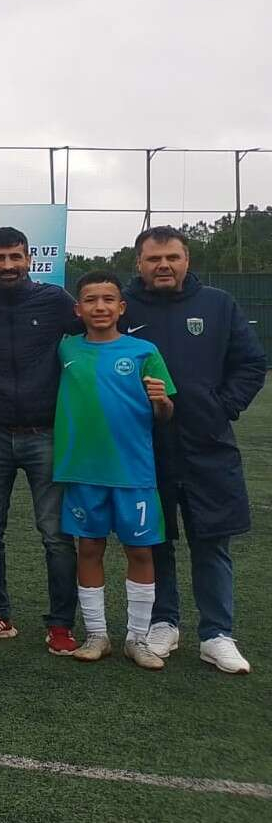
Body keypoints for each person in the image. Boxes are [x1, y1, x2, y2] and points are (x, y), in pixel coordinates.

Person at [122, 226, 266, 674]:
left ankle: (216, 633)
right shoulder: (124, 307)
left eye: (172, 257)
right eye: (154, 259)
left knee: (212, 541)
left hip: (208, 446)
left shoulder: (218, 304)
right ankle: (164, 622)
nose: (163, 265)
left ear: (187, 260)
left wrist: (221, 408)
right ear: (139, 264)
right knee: (156, 539)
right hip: (146, 447)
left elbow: (251, 363)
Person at [0, 227, 80, 652]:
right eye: (0, 258)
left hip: (45, 433)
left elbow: (91, 332)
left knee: (55, 534)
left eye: (15, 257)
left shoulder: (54, 300)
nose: (8, 265)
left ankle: (61, 624)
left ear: (30, 259)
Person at [58, 271, 175, 669]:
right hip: (83, 471)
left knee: (140, 550)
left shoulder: (144, 350)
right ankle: (97, 635)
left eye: (108, 299)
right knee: (89, 549)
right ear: (78, 309)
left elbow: (165, 413)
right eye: (91, 300)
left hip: (133, 472)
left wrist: (161, 401)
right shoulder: (66, 349)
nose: (100, 307)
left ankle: (137, 639)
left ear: (121, 307)